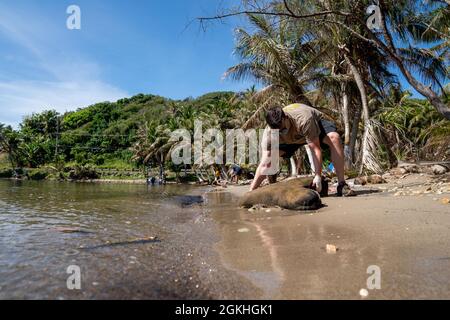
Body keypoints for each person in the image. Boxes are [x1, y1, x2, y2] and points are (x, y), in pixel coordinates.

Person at [249, 103, 354, 197]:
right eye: (278, 131)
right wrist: (251, 191)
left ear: (286, 117)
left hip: (314, 126)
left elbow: (315, 149)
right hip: (291, 140)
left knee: (334, 138)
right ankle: (269, 183)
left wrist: (317, 176)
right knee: (270, 159)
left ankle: (341, 184)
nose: (282, 132)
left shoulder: (304, 119)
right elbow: (265, 164)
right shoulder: (269, 134)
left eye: (283, 129)